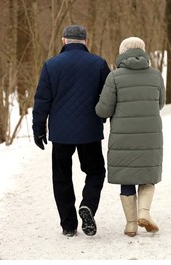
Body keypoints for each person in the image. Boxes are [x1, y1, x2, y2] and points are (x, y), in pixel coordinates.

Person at [32, 25, 110, 237]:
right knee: (95, 171)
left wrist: (38, 128)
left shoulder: (51, 65)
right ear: (86, 41)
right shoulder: (99, 64)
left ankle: (68, 225)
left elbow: (42, 100)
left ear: (63, 40)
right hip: (90, 131)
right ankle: (88, 206)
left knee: (61, 176)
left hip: (61, 134)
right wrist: (104, 117)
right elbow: (108, 97)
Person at [95, 37, 165, 237]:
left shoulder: (115, 77)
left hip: (122, 136)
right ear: (143, 51)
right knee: (147, 174)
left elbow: (103, 110)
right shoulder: (156, 75)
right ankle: (145, 212)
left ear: (122, 52)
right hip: (151, 134)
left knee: (127, 177)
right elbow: (159, 104)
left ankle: (131, 225)